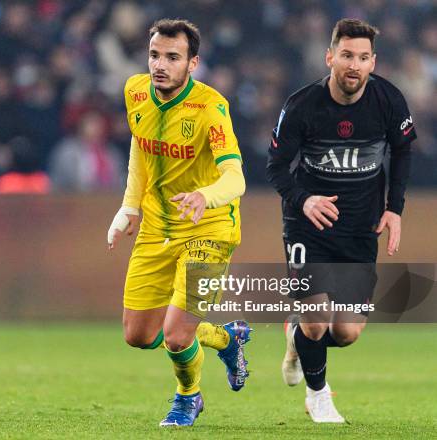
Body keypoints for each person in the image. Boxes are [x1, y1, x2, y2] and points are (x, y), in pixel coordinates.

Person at [266, 18, 416, 423]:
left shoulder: (389, 100)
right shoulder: (301, 106)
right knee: (316, 322)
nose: (354, 64)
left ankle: (295, 339)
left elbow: (403, 152)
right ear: (330, 56)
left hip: (359, 226)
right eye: (347, 55)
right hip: (307, 224)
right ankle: (319, 397)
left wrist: (394, 208)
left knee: (346, 333)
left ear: (373, 62)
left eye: (363, 57)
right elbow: (276, 166)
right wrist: (304, 199)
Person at [107, 19, 250, 427]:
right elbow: (141, 145)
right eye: (155, 55)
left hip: (210, 227)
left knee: (175, 335)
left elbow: (236, 178)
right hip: (157, 226)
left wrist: (205, 196)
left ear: (193, 64)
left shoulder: (210, 108)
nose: (160, 65)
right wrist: (129, 206)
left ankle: (188, 398)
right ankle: (227, 338)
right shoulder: (135, 92)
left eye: (173, 57)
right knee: (139, 336)